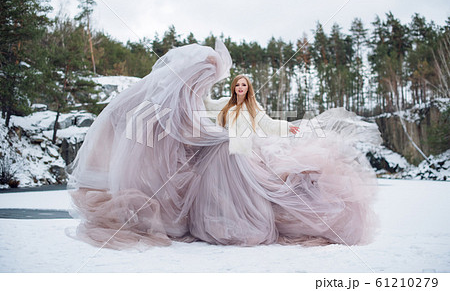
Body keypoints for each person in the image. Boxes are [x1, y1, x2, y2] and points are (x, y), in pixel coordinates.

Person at [65, 39, 382, 250]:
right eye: (237, 85)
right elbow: (191, 129)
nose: (241, 88)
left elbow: (266, 124)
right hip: (219, 163)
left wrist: (290, 127)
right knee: (231, 152)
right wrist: (224, 135)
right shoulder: (214, 104)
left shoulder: (244, 108)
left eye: (245, 85)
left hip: (239, 159)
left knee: (257, 168)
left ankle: (293, 187)